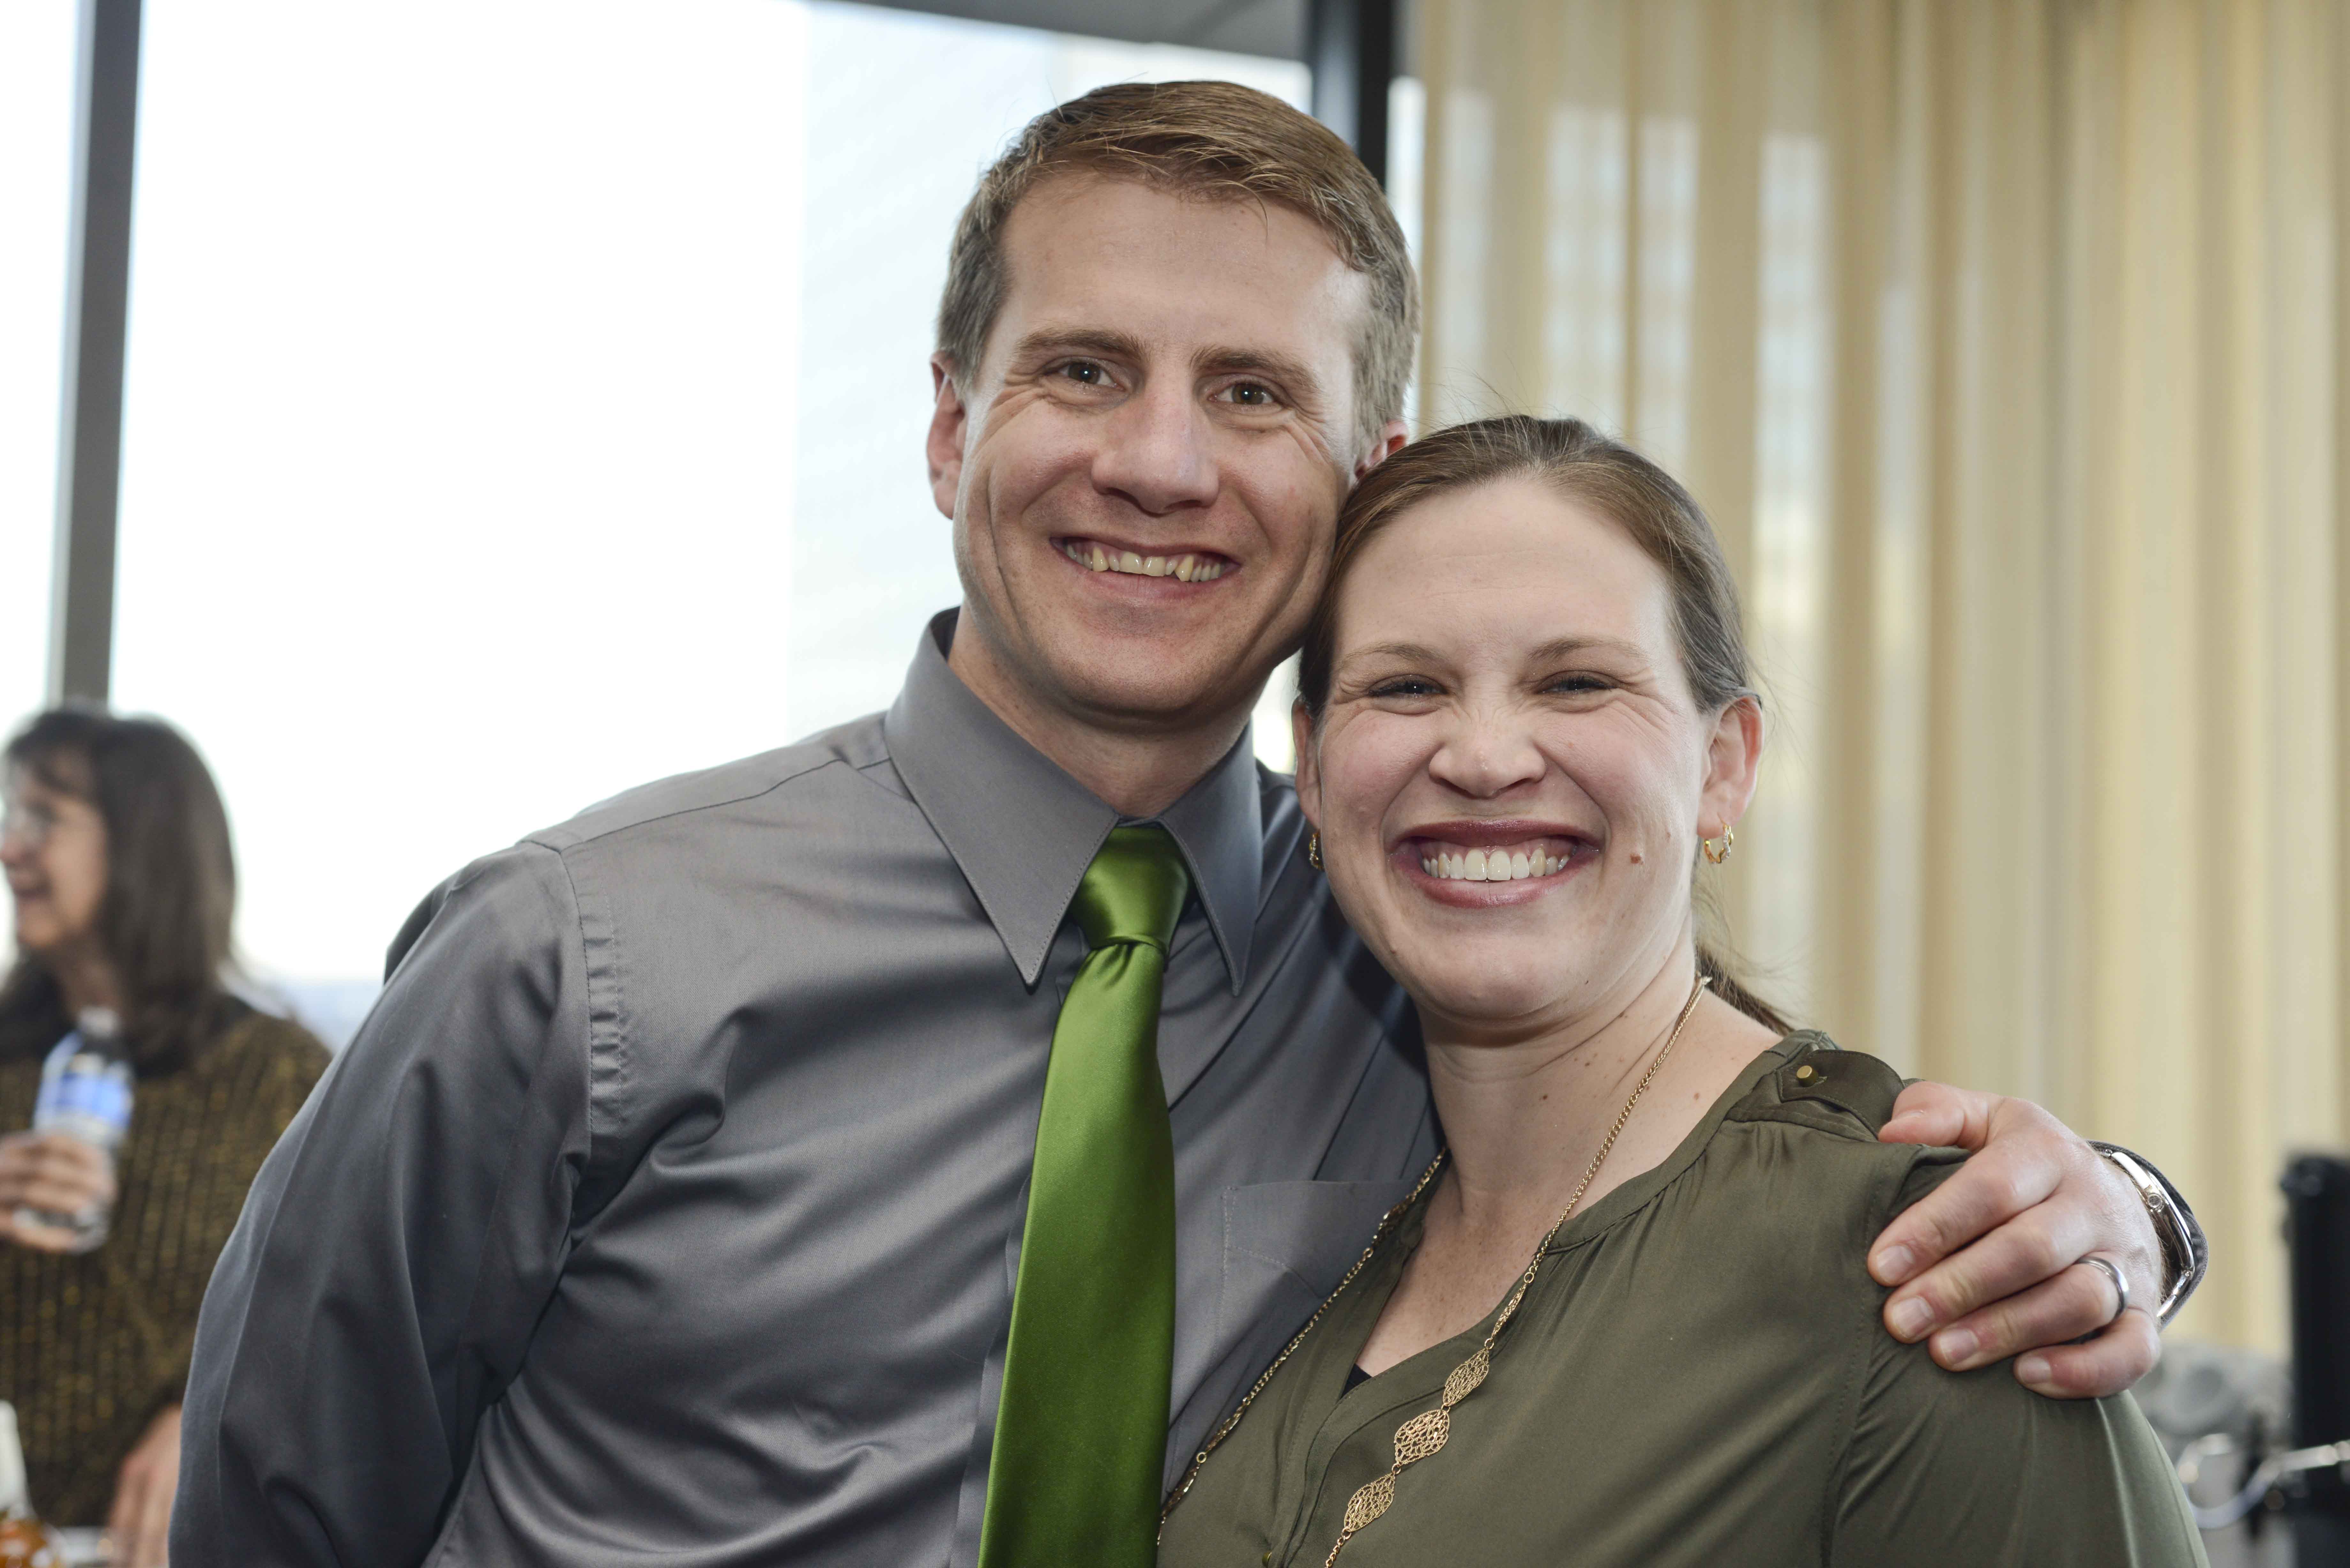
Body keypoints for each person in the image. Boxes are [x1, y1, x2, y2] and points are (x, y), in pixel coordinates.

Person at [176, 83, 2201, 1567]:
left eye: (1250, 390)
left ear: (1364, 467)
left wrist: (2124, 1212)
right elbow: (274, 1522)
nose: (1158, 460)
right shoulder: (573, 962)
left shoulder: (1413, 960)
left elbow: (1719, 1143)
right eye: (1083, 369)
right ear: (955, 420)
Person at [1155, 416, 2205, 1564]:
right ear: (1308, 767)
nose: (1485, 754)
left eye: (1577, 682)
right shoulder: (1327, 1182)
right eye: (1407, 686)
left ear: (1724, 765)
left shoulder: (1935, 1266)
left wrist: (2146, 1219)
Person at [0, 707, 328, 1568]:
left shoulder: (283, 1082)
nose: (9, 849)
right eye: (10, 818)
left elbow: (346, 1331)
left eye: (43, 820)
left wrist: (209, 1420)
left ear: (142, 844)